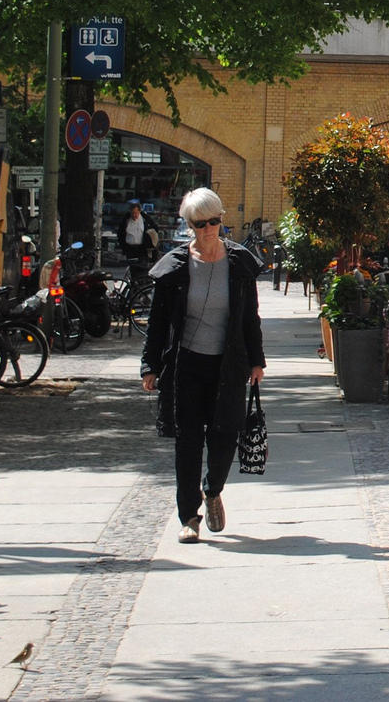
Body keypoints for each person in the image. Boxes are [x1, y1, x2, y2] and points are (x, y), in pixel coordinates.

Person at [141, 188, 265, 544]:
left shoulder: (240, 264)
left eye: (215, 221)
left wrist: (257, 360)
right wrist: (149, 366)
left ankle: (212, 491)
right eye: (201, 223)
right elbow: (158, 322)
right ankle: (189, 517)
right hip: (186, 365)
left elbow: (249, 318)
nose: (209, 229)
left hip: (228, 365)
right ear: (189, 225)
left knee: (225, 437)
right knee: (188, 441)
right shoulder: (176, 267)